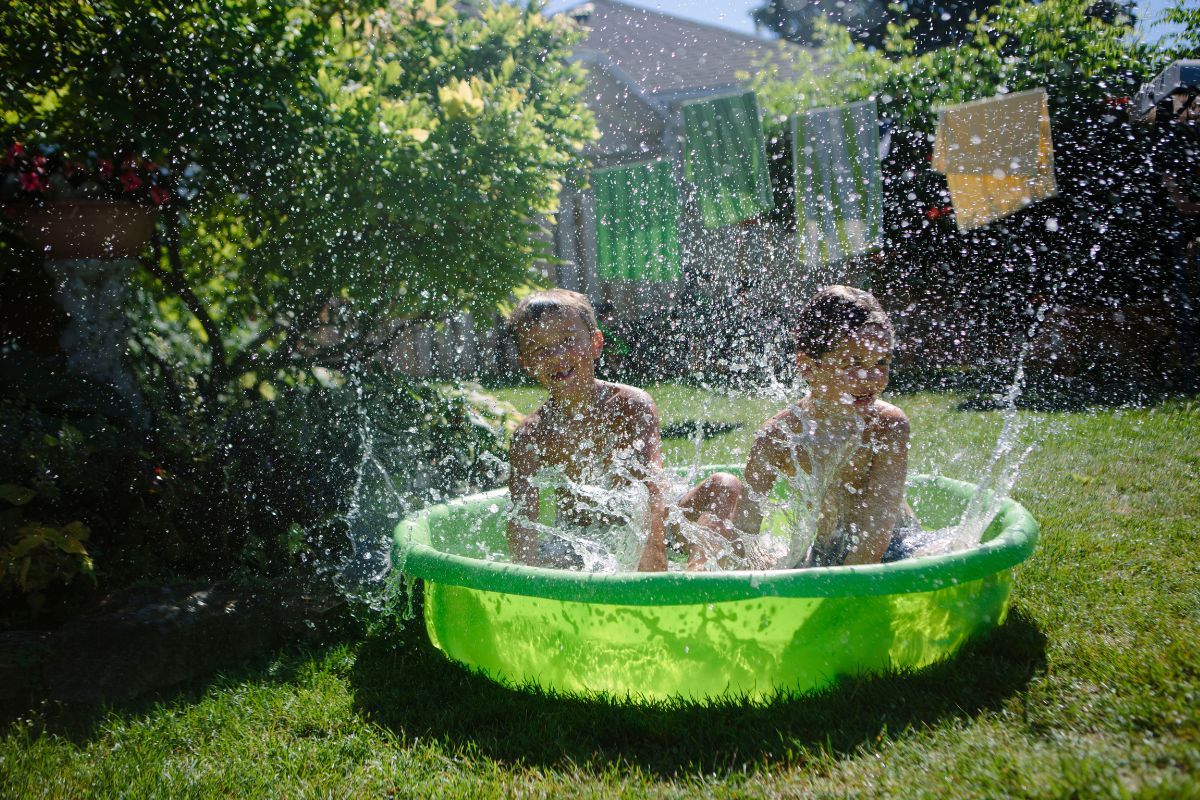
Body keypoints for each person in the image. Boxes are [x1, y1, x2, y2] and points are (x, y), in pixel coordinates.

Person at [683, 285, 914, 568]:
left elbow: (875, 536)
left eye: (882, 361)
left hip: (898, 551)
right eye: (852, 363)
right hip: (826, 554)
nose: (871, 377)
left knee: (937, 557)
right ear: (807, 367)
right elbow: (745, 529)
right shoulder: (779, 436)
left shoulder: (887, 425)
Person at [506, 288, 668, 571]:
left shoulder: (630, 406)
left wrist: (654, 573)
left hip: (643, 527)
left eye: (568, 340)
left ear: (595, 343)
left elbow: (651, 489)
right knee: (550, 560)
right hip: (580, 541)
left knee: (723, 487)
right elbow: (522, 524)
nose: (555, 356)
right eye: (539, 349)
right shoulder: (530, 436)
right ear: (527, 364)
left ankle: (698, 581)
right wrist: (525, 582)